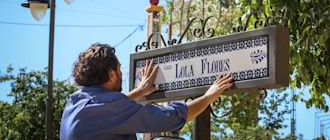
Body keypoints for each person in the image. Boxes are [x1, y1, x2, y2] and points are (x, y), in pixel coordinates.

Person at [60, 43, 234, 140]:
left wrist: (138, 92)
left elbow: (105, 109)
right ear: (111, 74)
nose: (122, 74)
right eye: (120, 70)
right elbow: (172, 117)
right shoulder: (110, 107)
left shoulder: (74, 103)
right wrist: (209, 95)